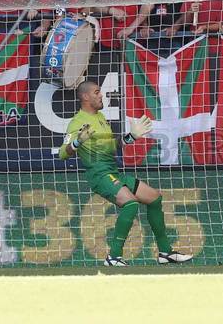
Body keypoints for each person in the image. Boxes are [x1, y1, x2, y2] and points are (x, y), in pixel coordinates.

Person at [59, 81, 193, 266]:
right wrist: (76, 143)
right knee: (130, 204)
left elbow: (111, 147)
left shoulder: (100, 117)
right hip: (99, 175)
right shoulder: (77, 122)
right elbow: (62, 154)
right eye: (97, 92)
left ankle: (165, 252)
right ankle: (113, 256)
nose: (101, 95)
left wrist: (132, 136)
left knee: (154, 198)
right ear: (85, 97)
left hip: (113, 172)